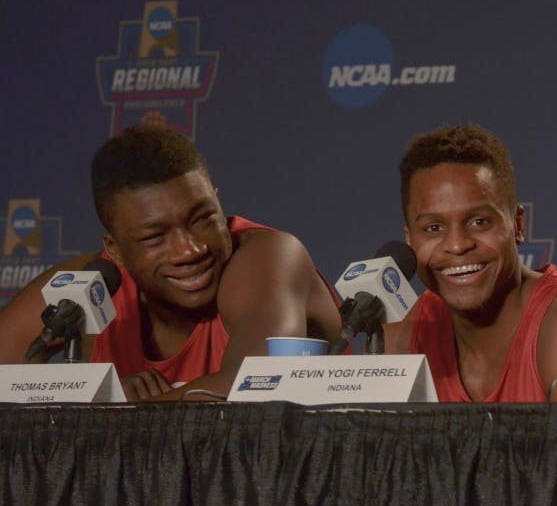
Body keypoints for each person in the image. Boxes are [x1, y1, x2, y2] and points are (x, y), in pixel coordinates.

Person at [0, 125, 343, 401]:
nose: (189, 250)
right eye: (155, 238)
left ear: (218, 203)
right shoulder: (85, 288)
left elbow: (256, 385)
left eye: (203, 218)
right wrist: (94, 393)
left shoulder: (268, 255)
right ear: (114, 250)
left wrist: (114, 407)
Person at [382, 123, 557, 402]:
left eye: (479, 222)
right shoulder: (410, 331)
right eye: (433, 228)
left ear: (517, 224)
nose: (457, 245)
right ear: (410, 240)